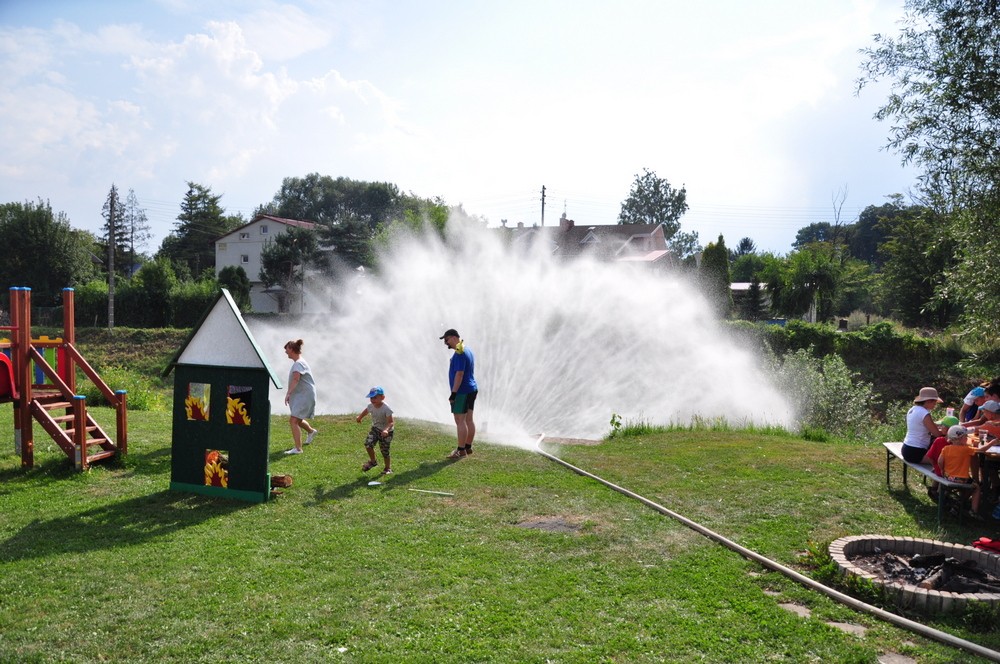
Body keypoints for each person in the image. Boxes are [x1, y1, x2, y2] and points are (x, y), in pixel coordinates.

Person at [938, 425, 995, 519]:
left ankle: (957, 504)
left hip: (948, 477)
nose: (967, 438)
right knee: (976, 487)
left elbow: (940, 461)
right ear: (960, 439)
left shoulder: (946, 448)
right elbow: (982, 450)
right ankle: (973, 511)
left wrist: (942, 470)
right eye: (965, 437)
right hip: (962, 479)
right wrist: (992, 443)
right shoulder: (966, 449)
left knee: (969, 485)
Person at [440, 328, 478, 459]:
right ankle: (468, 447)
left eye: (447, 340)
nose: (446, 343)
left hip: (462, 391)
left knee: (460, 420)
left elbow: (460, 374)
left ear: (454, 337)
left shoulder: (460, 353)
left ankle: (461, 451)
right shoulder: (467, 349)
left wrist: (454, 393)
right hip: (471, 389)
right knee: (469, 419)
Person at [283, 339, 318, 455]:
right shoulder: (299, 362)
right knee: (298, 419)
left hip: (305, 395)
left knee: (293, 420)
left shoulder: (298, 363)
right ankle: (311, 431)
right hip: (304, 395)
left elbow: (296, 379)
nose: (285, 352)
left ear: (292, 349)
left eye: (287, 349)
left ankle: (298, 449)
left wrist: (288, 393)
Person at [901, 387, 947, 464]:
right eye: (934, 403)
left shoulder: (912, 409)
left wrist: (937, 426)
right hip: (917, 451)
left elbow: (922, 425)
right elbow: (937, 434)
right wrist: (945, 431)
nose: (935, 405)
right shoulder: (924, 413)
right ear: (928, 401)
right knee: (943, 461)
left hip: (907, 448)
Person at [356, 386, 394, 474]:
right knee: (368, 444)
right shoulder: (371, 406)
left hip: (387, 432)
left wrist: (386, 430)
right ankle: (373, 462)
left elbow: (391, 422)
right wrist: (360, 417)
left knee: (384, 451)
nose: (372, 400)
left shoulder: (386, 408)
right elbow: (366, 410)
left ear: (382, 397)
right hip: (375, 429)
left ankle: (387, 468)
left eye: (375, 397)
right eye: (371, 398)